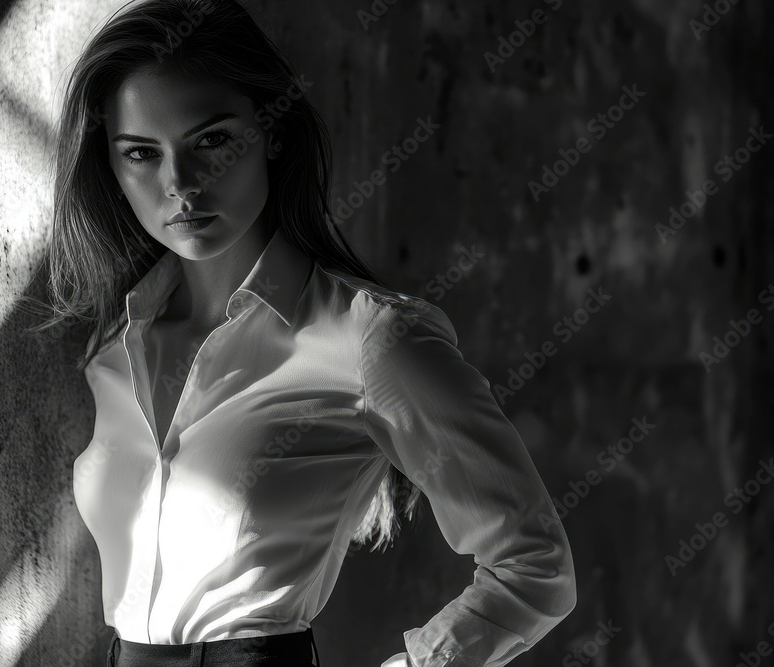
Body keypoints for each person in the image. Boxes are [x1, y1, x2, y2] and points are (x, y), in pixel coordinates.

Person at [28, 0, 577, 665]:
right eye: (142, 153)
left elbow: (535, 565)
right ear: (111, 171)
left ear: (274, 134)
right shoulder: (116, 349)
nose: (180, 184)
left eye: (212, 140)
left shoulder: (371, 338)